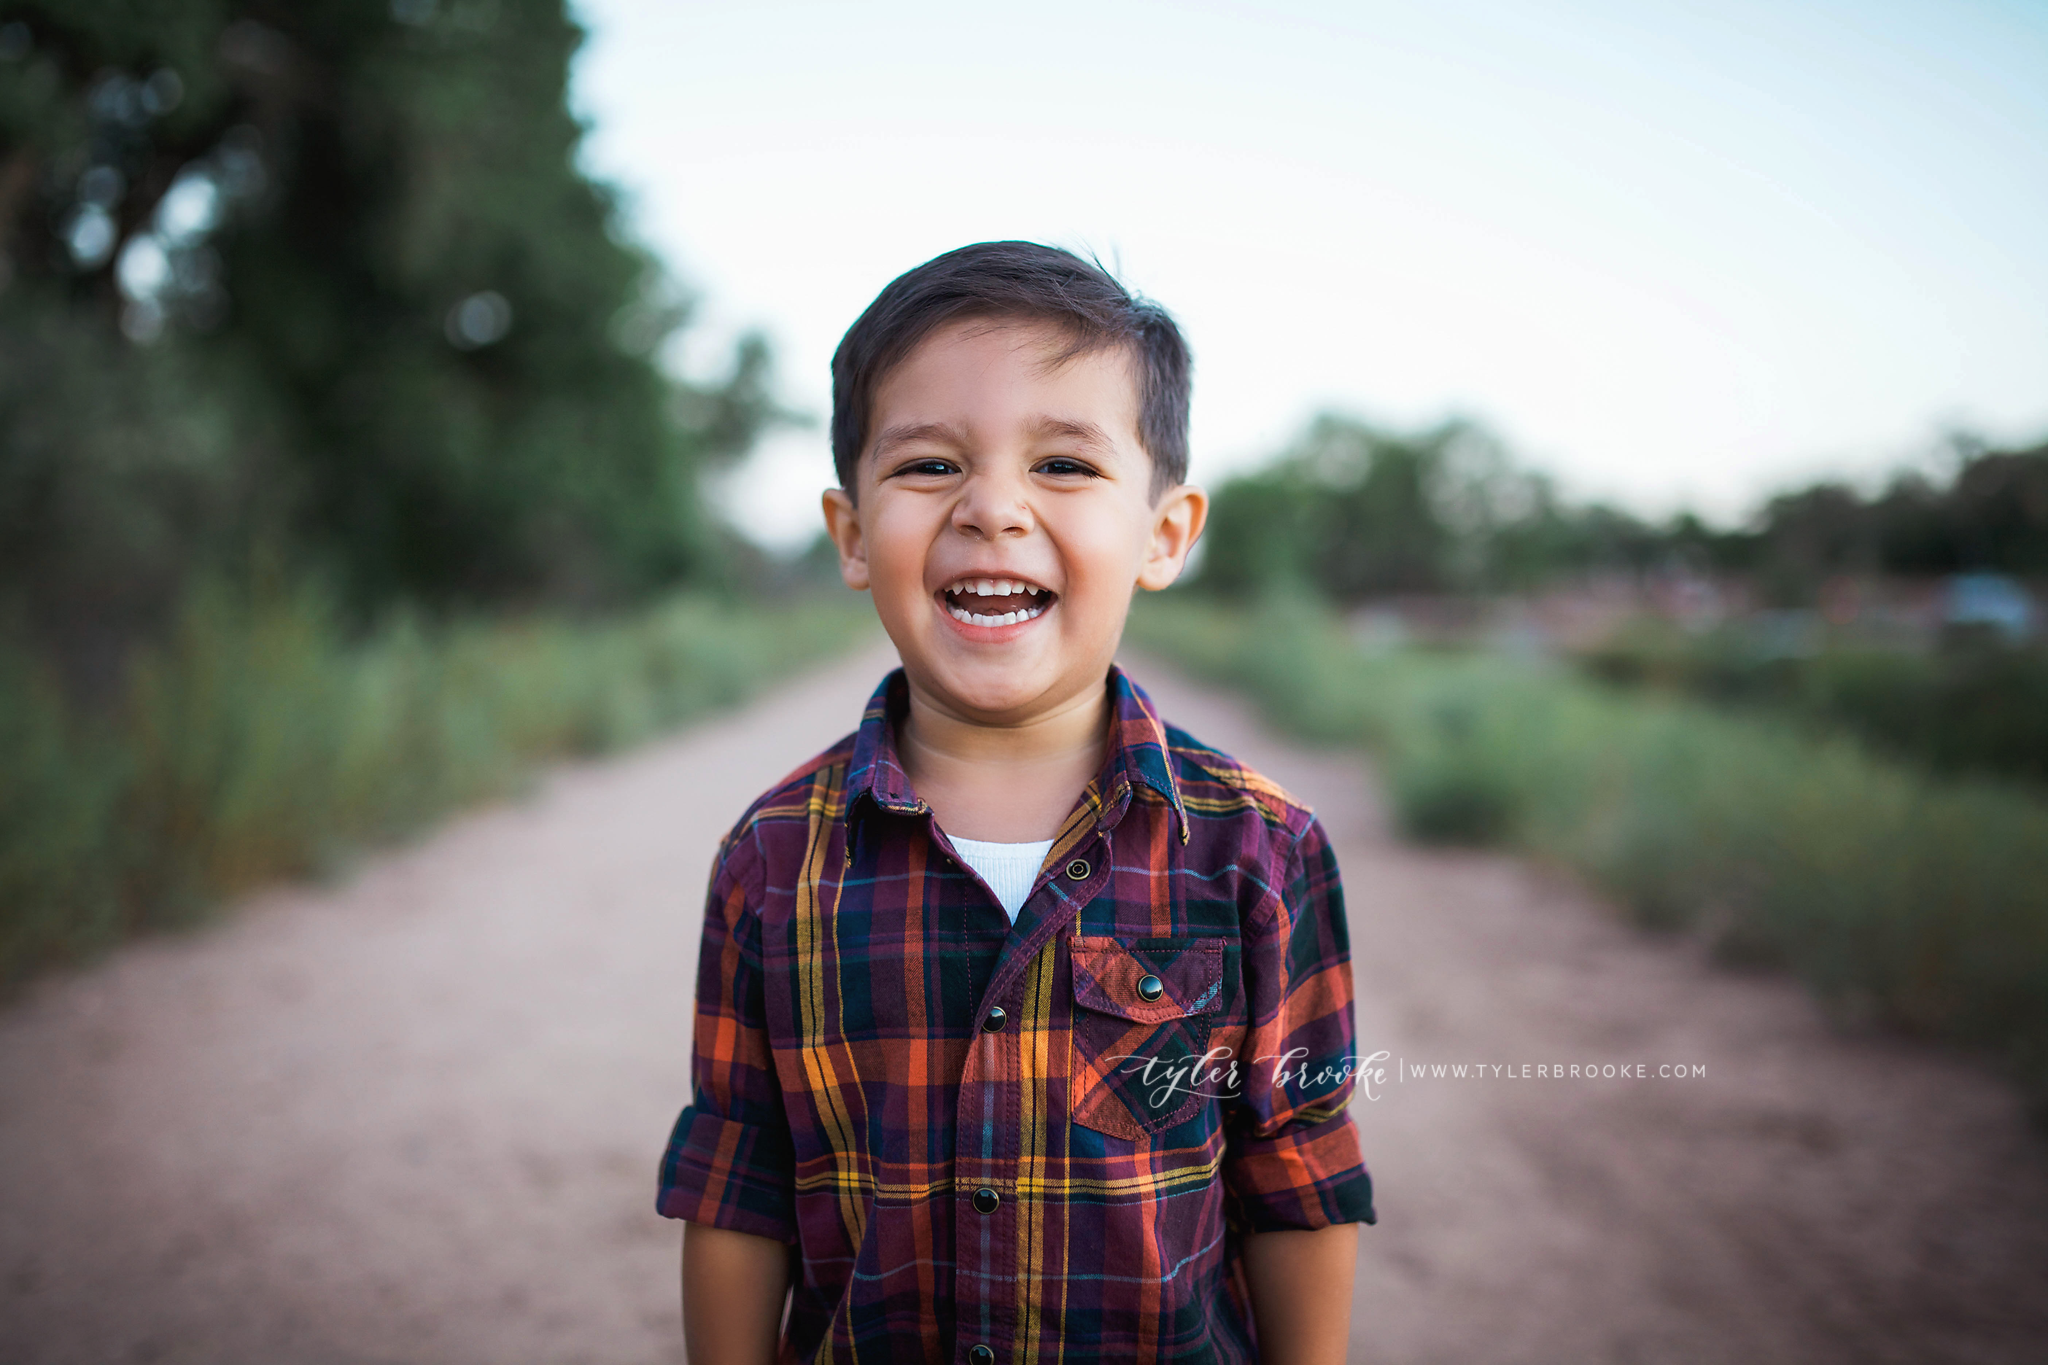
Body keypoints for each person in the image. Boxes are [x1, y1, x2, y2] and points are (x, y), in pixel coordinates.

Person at [657, 241, 1375, 1365]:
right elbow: (737, 1179)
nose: (992, 508)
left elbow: (1295, 1168)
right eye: (930, 466)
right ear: (852, 536)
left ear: (1163, 534)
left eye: (1065, 467)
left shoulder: (1260, 851)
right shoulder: (774, 857)